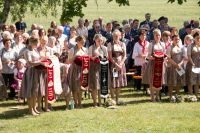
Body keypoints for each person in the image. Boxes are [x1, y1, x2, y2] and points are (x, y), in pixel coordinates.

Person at [21, 37, 48, 115]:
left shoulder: (34, 50)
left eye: (37, 43)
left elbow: (37, 59)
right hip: (31, 72)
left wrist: (43, 59)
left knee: (35, 91)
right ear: (30, 42)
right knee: (31, 91)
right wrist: (40, 63)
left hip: (37, 71)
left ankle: (34, 108)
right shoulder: (27, 51)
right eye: (35, 43)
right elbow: (30, 63)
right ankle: (30, 110)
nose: (37, 45)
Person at [142, 29, 166, 102]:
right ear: (154, 36)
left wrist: (163, 59)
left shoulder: (162, 44)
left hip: (161, 64)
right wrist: (155, 58)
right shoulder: (151, 44)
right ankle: (152, 97)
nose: (158, 36)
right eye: (156, 35)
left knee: (159, 80)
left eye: (159, 35)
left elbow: (164, 54)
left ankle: (157, 97)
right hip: (153, 64)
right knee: (152, 80)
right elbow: (148, 56)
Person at [107, 30, 127, 104]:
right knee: (113, 81)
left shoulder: (123, 44)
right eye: (114, 36)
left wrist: (121, 64)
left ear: (120, 36)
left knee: (119, 81)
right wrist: (116, 64)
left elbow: (125, 55)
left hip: (121, 65)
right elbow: (110, 56)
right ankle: (112, 99)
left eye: (117, 36)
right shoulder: (110, 44)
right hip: (113, 66)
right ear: (112, 36)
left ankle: (117, 99)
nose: (116, 37)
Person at [68, 36, 88, 108]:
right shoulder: (72, 50)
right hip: (75, 69)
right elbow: (69, 61)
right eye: (82, 42)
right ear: (78, 41)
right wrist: (75, 56)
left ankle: (80, 103)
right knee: (75, 87)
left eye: (84, 42)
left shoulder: (85, 49)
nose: (83, 43)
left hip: (83, 69)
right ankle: (76, 103)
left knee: (81, 87)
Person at [88, 34, 108, 107]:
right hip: (93, 68)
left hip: (102, 68)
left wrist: (102, 57)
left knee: (101, 85)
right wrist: (95, 57)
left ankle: (100, 102)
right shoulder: (91, 47)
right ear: (95, 40)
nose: (100, 42)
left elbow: (107, 58)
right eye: (98, 40)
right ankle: (95, 102)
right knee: (95, 86)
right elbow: (89, 57)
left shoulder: (104, 48)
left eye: (101, 41)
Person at [166, 34, 185, 100]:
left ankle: (177, 95)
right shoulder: (169, 47)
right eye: (175, 39)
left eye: (178, 39)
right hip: (172, 66)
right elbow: (168, 58)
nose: (177, 40)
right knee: (171, 82)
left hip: (180, 67)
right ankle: (170, 96)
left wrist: (180, 64)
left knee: (179, 81)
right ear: (172, 40)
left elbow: (183, 58)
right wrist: (175, 65)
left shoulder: (181, 47)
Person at [187, 31, 200, 98]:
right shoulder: (190, 45)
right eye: (197, 38)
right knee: (191, 80)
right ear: (194, 38)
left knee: (198, 80)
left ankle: (196, 95)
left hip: (199, 64)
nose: (198, 39)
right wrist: (192, 63)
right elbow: (189, 56)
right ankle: (191, 95)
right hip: (192, 64)